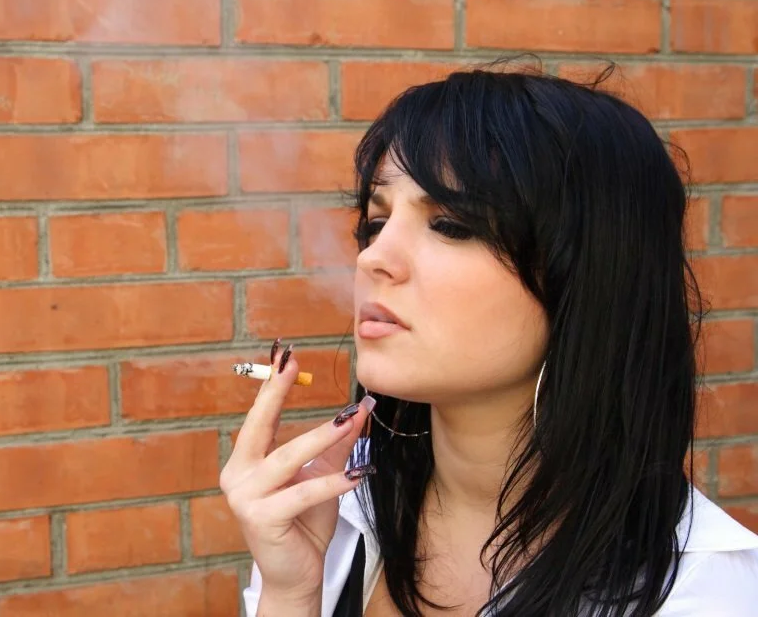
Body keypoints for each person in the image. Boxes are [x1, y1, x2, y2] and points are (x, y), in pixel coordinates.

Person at [219, 64, 758, 616]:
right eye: (376, 223)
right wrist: (292, 594)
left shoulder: (702, 590)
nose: (372, 257)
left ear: (588, 277)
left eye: (451, 223)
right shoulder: (333, 512)